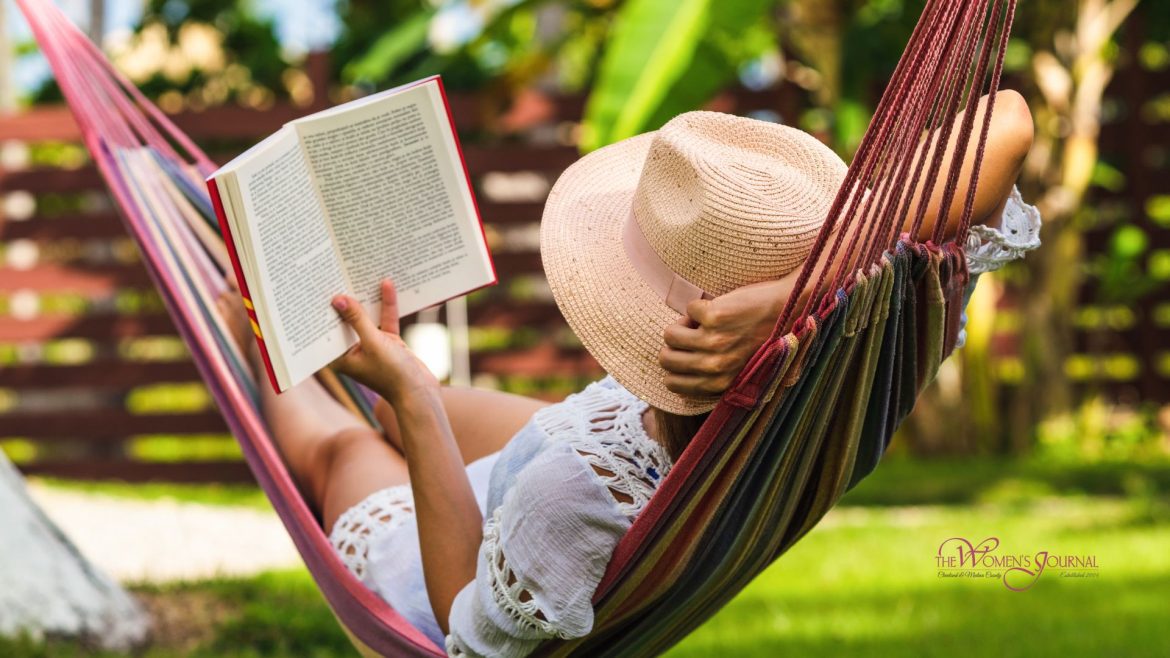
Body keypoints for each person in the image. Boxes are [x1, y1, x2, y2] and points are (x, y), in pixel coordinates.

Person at [216, 90, 1040, 657]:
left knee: (347, 448)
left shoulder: (571, 500)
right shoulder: (861, 349)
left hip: (474, 552)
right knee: (390, 412)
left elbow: (466, 631)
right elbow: (1008, 118)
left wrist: (416, 394)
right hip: (614, 439)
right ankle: (374, 387)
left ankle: (252, 340)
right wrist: (800, 293)